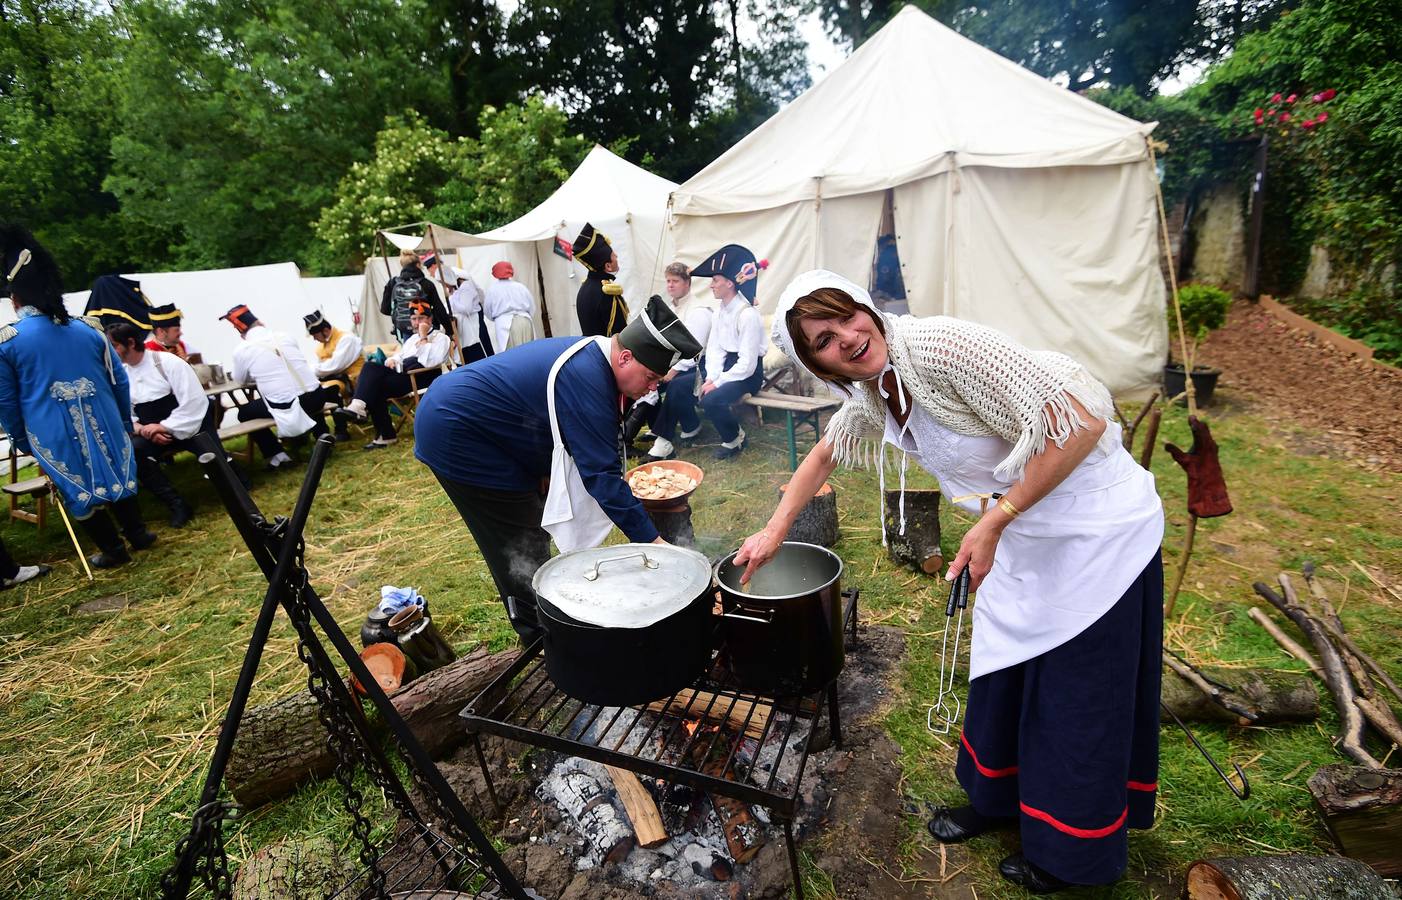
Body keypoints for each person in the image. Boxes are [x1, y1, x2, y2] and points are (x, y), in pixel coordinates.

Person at [734, 270, 1164, 895]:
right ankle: (995, 802)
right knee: (1004, 670)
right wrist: (775, 530)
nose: (849, 337)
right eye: (824, 340)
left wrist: (998, 518)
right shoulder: (870, 392)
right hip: (1023, 531)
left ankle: (1070, 854)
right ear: (818, 365)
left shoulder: (939, 347)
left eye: (849, 316)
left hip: (1095, 531)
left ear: (867, 307)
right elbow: (826, 453)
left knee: (1076, 695)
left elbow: (1081, 420)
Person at [414, 296, 702, 644]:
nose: (654, 387)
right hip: (456, 432)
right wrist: (657, 545)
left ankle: (549, 623)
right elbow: (602, 477)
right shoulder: (588, 377)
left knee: (532, 516)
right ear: (625, 357)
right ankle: (540, 636)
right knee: (519, 538)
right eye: (652, 377)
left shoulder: (600, 358)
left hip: (497, 433)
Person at [0, 224, 157, 569]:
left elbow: (7, 403)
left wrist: (21, 439)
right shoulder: (91, 329)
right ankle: (139, 533)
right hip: (106, 418)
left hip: (51, 428)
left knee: (77, 488)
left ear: (16, 299)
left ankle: (115, 550)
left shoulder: (7, 341)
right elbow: (119, 382)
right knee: (118, 471)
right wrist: (121, 420)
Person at [108, 322, 214, 527]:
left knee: (213, 455)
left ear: (130, 342)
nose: (111, 352)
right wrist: (143, 430)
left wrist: (165, 426)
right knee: (135, 453)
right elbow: (124, 412)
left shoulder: (167, 362)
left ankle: (236, 490)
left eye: (114, 346)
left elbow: (193, 400)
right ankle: (178, 505)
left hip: (188, 427)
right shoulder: (122, 374)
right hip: (151, 433)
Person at [222, 305, 339, 468]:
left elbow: (240, 380)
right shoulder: (285, 336)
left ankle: (278, 456)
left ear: (241, 333)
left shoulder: (243, 349)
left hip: (289, 405)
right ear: (259, 322)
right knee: (305, 389)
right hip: (317, 397)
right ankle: (321, 436)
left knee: (245, 412)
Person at [334, 300, 451, 450]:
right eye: (414, 319)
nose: (417, 323)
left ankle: (360, 409)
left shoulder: (441, 338)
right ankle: (384, 433)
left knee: (372, 375)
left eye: (421, 318)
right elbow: (399, 356)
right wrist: (392, 360)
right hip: (404, 376)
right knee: (374, 379)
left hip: (422, 377)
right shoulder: (411, 340)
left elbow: (431, 362)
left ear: (430, 319)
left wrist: (423, 338)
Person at [690, 244, 767, 460]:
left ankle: (735, 439)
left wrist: (719, 382)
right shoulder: (719, 312)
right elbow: (715, 349)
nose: (711, 286)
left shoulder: (747, 315)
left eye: (715, 280)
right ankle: (733, 436)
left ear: (730, 283)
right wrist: (711, 378)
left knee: (711, 400)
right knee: (702, 393)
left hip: (749, 375)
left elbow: (748, 364)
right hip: (728, 368)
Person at [641, 262, 714, 461]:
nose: (670, 285)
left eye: (675, 281)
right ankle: (687, 425)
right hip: (678, 364)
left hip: (702, 367)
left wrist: (672, 370)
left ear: (687, 283)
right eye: (668, 281)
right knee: (645, 379)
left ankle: (663, 441)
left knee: (674, 385)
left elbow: (694, 350)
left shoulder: (698, 310)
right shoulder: (673, 308)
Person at [571, 223, 628, 337]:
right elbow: (619, 334)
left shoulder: (585, 286)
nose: (616, 256)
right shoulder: (607, 293)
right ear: (608, 266)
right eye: (613, 255)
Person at [381, 250, 450, 342]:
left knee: (409, 355)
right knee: (427, 354)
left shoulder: (393, 283)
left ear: (402, 265)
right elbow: (439, 310)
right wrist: (450, 330)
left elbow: (385, 309)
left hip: (404, 331)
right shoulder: (426, 284)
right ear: (418, 264)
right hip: (426, 330)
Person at [304, 310, 363, 415]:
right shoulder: (320, 347)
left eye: (315, 335)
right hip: (334, 378)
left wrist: (311, 371)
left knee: (330, 389)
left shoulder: (346, 339)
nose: (314, 339)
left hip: (354, 380)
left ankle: (341, 426)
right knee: (311, 392)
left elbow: (335, 366)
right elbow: (321, 367)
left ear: (325, 330)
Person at [483, 261, 534, 351]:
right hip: (524, 320)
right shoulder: (520, 286)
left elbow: (487, 311)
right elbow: (532, 306)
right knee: (530, 351)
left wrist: (496, 318)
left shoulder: (492, 290)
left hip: (504, 324)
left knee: (512, 355)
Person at [444, 270, 493, 364]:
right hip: (465, 332)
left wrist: (451, 300)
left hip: (474, 329)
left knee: (481, 357)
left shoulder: (467, 286)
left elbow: (466, 308)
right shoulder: (455, 291)